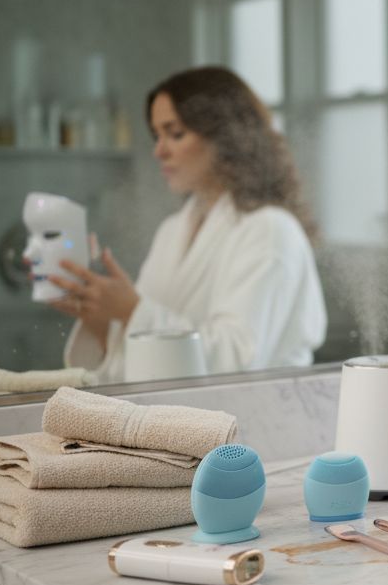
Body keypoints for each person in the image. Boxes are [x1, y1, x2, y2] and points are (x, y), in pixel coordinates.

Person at [50, 66, 326, 383]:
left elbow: (239, 357)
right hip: (180, 422)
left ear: (225, 136)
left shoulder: (270, 229)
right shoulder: (173, 230)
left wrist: (131, 311)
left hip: (258, 421)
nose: (159, 151)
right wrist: (101, 318)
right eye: (157, 135)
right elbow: (137, 366)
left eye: (175, 134)